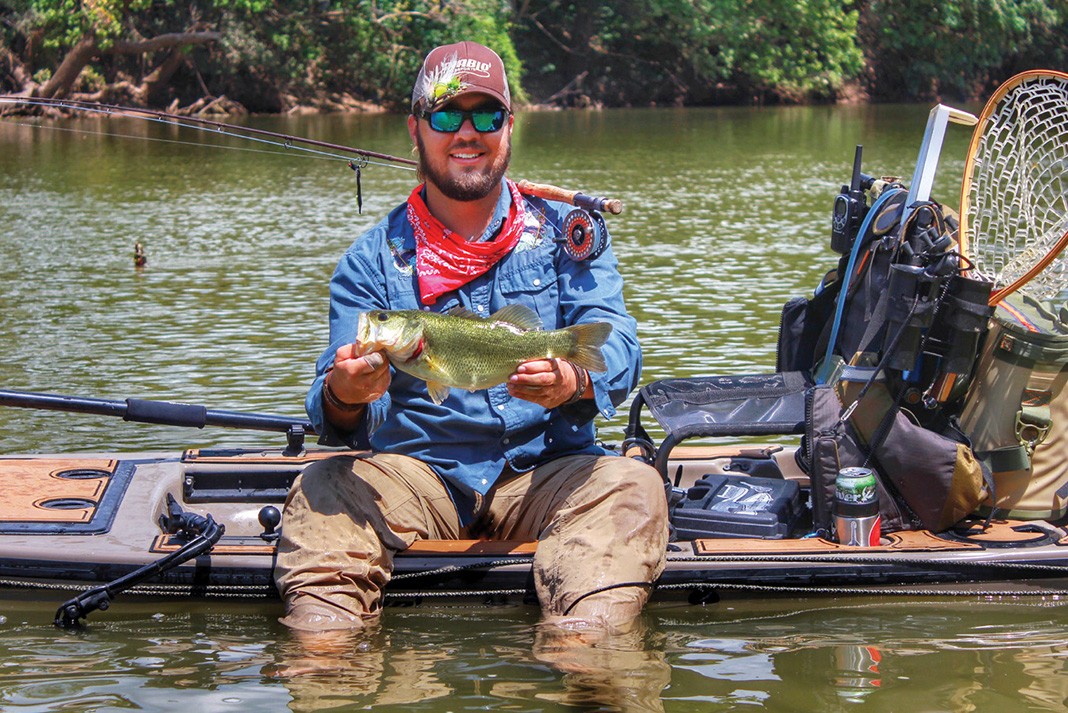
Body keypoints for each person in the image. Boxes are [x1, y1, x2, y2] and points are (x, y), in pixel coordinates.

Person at [274, 41, 668, 634]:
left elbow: (618, 348)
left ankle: (588, 655)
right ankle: (327, 663)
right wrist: (346, 392)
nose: (467, 132)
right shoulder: (370, 262)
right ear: (416, 129)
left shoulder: (568, 235)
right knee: (325, 483)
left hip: (547, 471)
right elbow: (335, 416)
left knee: (633, 483)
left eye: (486, 115)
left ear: (509, 127)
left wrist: (572, 383)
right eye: (444, 115)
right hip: (416, 477)